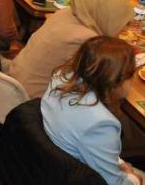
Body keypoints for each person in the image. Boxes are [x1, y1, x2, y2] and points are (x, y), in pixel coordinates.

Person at [41, 36, 144, 185]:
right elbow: (114, 182)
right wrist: (134, 179)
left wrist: (117, 162)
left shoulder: (60, 79)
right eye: (131, 73)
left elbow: (91, 145)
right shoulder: (100, 124)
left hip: (57, 161)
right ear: (117, 81)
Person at [7, 0, 133, 99]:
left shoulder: (65, 13)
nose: (122, 30)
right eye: (122, 24)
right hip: (31, 99)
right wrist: (129, 61)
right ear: (108, 17)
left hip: (13, 80)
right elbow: (115, 89)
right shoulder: (88, 40)